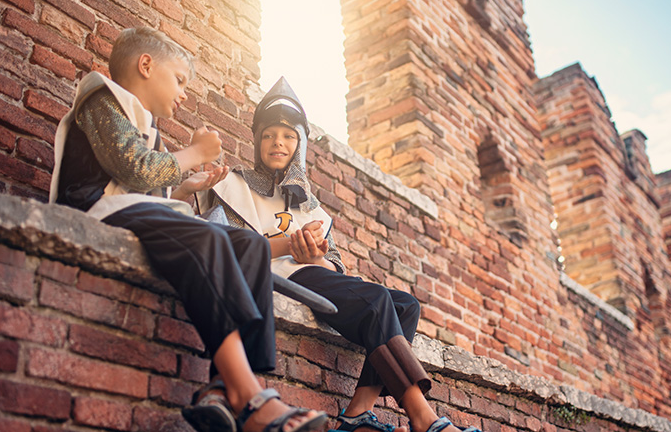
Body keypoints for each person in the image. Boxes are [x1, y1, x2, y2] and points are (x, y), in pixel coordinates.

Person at [49, 27, 327, 432]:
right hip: (92, 208)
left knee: (250, 246)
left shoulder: (145, 125)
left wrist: (184, 189)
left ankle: (221, 387)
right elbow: (135, 169)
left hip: (129, 209)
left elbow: (149, 191)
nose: (183, 94)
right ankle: (250, 397)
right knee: (208, 236)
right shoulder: (102, 98)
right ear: (146, 65)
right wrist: (194, 152)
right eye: (179, 80)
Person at [197, 78, 482, 432]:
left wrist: (315, 256)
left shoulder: (312, 208)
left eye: (287, 136)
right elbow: (226, 248)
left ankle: (358, 413)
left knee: (407, 305)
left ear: (300, 144)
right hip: (270, 276)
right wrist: (289, 246)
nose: (277, 143)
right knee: (377, 299)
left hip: (311, 276)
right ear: (257, 140)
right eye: (269, 135)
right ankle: (422, 417)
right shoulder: (233, 186)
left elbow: (334, 269)